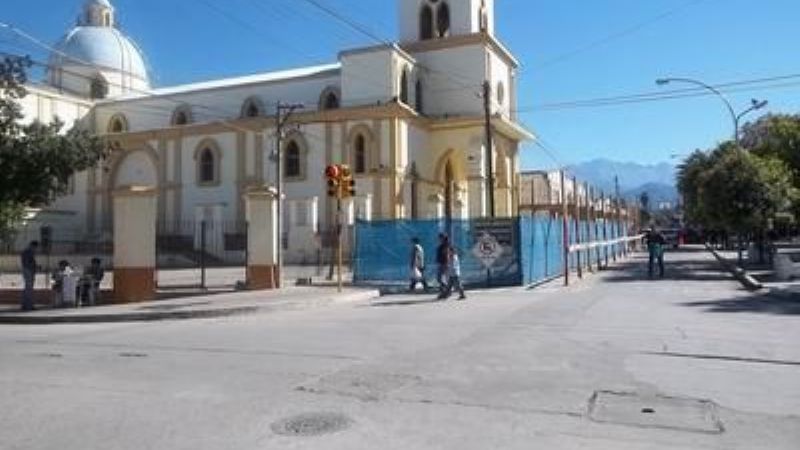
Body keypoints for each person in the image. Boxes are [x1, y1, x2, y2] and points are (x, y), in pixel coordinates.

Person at [19, 241, 39, 311]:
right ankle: (28, 306)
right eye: (35, 247)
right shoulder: (28, 252)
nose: (35, 249)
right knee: (29, 289)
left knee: (27, 289)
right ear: (32, 246)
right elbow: (27, 263)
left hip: (28, 271)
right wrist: (34, 267)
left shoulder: (27, 251)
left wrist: (35, 267)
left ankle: (25, 305)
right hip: (28, 271)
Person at [436, 233, 450, 299]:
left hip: (444, 264)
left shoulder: (445, 246)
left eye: (440, 238)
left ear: (443, 238)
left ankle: (446, 291)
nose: (439, 239)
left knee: (441, 279)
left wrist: (446, 263)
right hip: (441, 263)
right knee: (441, 279)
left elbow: (446, 255)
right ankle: (444, 292)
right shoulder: (442, 245)